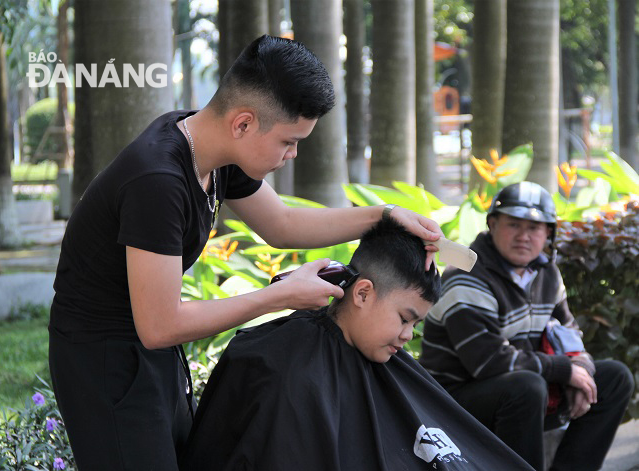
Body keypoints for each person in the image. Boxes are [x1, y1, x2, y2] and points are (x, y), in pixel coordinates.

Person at [48, 35, 444, 469]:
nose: (292, 155)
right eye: (288, 142)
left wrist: (384, 215)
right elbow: (160, 325)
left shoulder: (214, 152)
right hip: (104, 359)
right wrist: (281, 295)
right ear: (243, 124)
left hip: (150, 347)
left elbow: (282, 225)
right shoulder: (157, 182)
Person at [179, 218, 533, 470]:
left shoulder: (377, 358)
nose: (408, 335)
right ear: (363, 293)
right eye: (404, 318)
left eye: (415, 324)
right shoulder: (284, 369)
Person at [419, 182, 634, 471]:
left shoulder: (546, 273)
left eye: (534, 228)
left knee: (614, 378)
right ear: (492, 225)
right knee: (526, 387)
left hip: (521, 388)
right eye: (513, 225)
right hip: (455, 403)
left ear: (548, 233)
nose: (524, 236)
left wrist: (581, 371)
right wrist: (564, 370)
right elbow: (489, 363)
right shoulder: (467, 277)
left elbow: (569, 334)